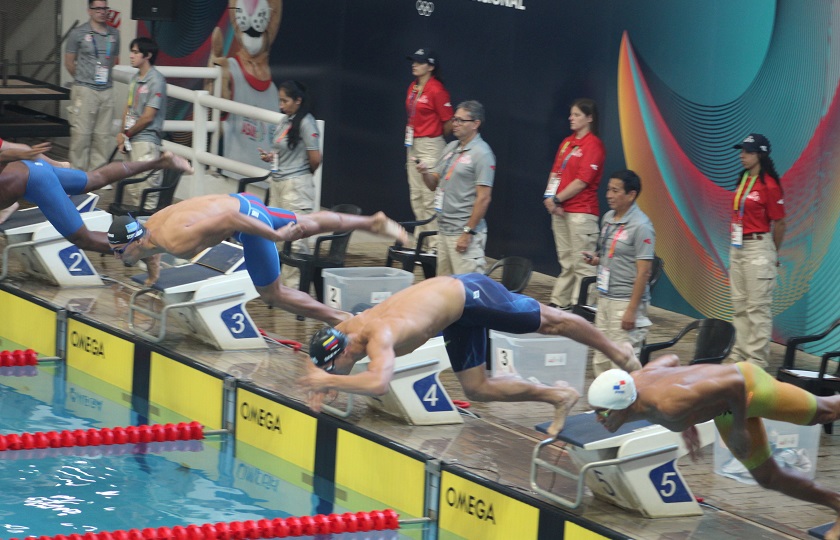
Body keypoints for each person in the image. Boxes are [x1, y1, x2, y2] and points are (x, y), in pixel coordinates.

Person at [298, 273, 642, 435]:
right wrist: (324, 380)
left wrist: (330, 381)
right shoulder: (343, 331)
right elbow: (324, 355)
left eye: (333, 368)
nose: (333, 373)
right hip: (455, 318)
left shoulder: (378, 335)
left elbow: (378, 383)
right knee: (477, 389)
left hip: (469, 294)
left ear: (344, 352)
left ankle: (618, 351)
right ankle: (559, 396)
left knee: (553, 323)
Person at [589, 358, 840, 540]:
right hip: (726, 407)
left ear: (624, 405)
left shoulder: (669, 404)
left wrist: (740, 429)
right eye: (596, 412)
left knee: (825, 412)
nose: (599, 419)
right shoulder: (636, 382)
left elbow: (735, 383)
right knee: (767, 477)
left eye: (603, 413)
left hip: (747, 388)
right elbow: (671, 359)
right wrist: (689, 420)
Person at [107, 194, 408, 325]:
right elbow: (150, 253)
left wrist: (276, 236)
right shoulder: (149, 228)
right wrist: (152, 275)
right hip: (244, 201)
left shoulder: (173, 239)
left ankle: (338, 318)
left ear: (134, 242)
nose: (117, 257)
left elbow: (229, 219)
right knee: (307, 222)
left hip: (244, 220)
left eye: (119, 251)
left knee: (272, 294)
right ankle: (372, 222)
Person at [0, 142, 192, 254]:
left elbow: (5, 156)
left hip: (36, 180)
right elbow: (9, 153)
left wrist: (20, 154)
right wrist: (29, 156)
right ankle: (162, 161)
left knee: (84, 239)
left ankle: (149, 247)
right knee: (95, 178)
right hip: (33, 167)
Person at [582, 170, 655, 376]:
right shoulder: (608, 218)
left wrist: (631, 310)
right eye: (608, 190)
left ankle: (626, 398)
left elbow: (644, 273)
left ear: (631, 195)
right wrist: (596, 259)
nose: (609, 195)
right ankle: (602, 397)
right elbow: (611, 254)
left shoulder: (641, 226)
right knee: (601, 358)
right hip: (604, 297)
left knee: (622, 364)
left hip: (624, 303)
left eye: (615, 191)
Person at [415, 100, 494, 275]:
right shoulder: (450, 148)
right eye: (454, 119)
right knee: (445, 287)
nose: (455, 124)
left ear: (475, 124)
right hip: (444, 231)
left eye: (461, 120)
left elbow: (484, 198)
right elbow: (433, 184)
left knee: (467, 288)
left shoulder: (482, 154)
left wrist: (467, 233)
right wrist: (425, 173)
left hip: (463, 234)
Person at [728, 134, 786, 369]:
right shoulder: (743, 179)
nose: (742, 155)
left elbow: (780, 223)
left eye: (748, 152)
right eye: (742, 151)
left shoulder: (770, 185)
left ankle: (756, 360)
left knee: (757, 307)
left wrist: (772, 253)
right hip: (737, 247)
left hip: (758, 246)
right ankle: (739, 354)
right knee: (739, 305)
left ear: (761, 154)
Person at [257, 80, 321, 289]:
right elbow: (284, 151)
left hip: (296, 187)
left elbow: (315, 159)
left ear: (298, 100)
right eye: (280, 101)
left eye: (285, 101)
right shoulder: (286, 121)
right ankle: (279, 289)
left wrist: (300, 174)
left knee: (296, 241)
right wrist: (271, 157)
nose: (281, 105)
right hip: (278, 184)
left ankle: (295, 291)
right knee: (276, 236)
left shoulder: (307, 123)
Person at [542, 98, 604, 309]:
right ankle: (560, 303)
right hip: (560, 210)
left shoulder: (593, 145)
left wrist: (557, 199)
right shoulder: (567, 143)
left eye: (577, 115)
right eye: (571, 114)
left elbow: (581, 181)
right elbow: (555, 172)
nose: (571, 118)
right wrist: (549, 197)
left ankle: (582, 308)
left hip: (581, 212)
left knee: (582, 264)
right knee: (566, 260)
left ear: (589, 118)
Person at [405, 47, 453, 248]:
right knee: (416, 195)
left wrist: (435, 137)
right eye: (413, 61)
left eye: (420, 62)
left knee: (429, 197)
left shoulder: (437, 90)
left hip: (431, 145)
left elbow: (449, 121)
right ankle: (420, 243)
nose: (414, 65)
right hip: (413, 144)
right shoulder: (413, 87)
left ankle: (434, 246)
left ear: (431, 67)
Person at [64, 0, 120, 172]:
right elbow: (69, 63)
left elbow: (113, 60)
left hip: (106, 89)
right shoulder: (78, 33)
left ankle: (99, 175)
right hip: (85, 89)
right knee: (81, 135)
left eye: (105, 8)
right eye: (98, 8)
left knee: (103, 136)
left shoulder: (114, 34)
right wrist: (83, 79)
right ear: (89, 10)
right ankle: (77, 174)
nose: (102, 12)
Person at [116, 36, 167, 209]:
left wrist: (126, 134)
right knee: (133, 190)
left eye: (136, 52)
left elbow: (148, 117)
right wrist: (122, 134)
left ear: (148, 55)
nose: (131, 56)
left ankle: (148, 226)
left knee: (147, 192)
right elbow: (128, 107)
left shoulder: (157, 81)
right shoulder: (135, 79)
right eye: (132, 51)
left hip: (146, 141)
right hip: (131, 140)